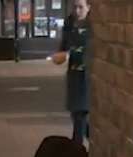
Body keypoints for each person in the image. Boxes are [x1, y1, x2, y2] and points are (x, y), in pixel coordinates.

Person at [51, 0, 92, 144]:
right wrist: (59, 57)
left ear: (89, 7)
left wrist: (70, 54)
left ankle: (76, 153)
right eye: (75, 7)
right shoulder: (69, 25)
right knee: (77, 117)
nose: (77, 11)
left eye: (81, 7)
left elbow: (91, 51)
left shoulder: (93, 27)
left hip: (87, 77)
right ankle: (97, 141)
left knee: (80, 117)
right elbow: (64, 47)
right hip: (74, 76)